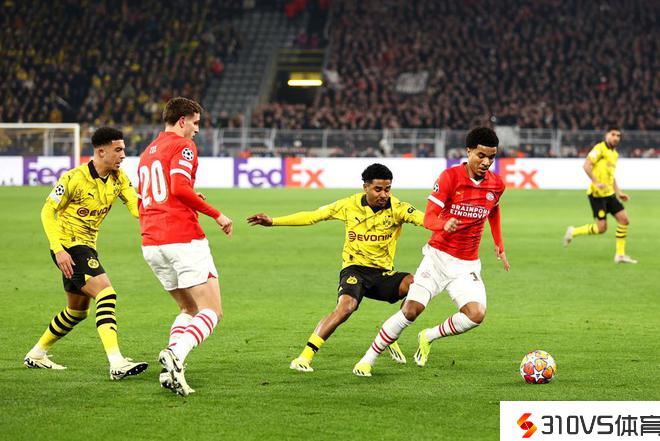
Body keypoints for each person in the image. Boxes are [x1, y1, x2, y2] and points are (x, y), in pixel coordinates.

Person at [353, 127, 510, 377]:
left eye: (491, 157)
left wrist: (498, 244)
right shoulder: (450, 178)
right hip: (437, 258)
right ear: (468, 151)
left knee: (476, 315)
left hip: (467, 265)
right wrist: (443, 225)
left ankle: (428, 336)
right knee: (411, 310)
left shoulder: (496, 184)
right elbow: (428, 218)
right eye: (481, 155)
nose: (486, 162)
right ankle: (367, 360)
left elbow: (493, 209)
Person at [247, 163, 424, 373]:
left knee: (418, 286)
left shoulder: (399, 208)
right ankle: (304, 357)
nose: (384, 194)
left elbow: (425, 219)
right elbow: (313, 216)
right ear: (365, 187)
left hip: (382, 273)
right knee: (346, 308)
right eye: (378, 189)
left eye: (387, 189)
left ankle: (390, 334)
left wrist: (449, 223)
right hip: (355, 269)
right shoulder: (348, 205)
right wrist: (273, 221)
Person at [24, 127, 148, 380]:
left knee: (77, 311)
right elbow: (47, 212)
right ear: (101, 152)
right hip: (69, 247)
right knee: (106, 293)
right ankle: (116, 362)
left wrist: (176, 206)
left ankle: (36, 354)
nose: (123, 155)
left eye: (123, 149)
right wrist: (58, 249)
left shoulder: (119, 179)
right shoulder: (73, 178)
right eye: (118, 150)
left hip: (87, 247)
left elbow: (138, 209)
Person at [138, 97, 233, 396]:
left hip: (151, 242)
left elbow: (150, 197)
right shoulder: (183, 146)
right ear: (182, 121)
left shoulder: (147, 152)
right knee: (211, 310)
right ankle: (175, 355)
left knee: (188, 308)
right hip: (182, 238)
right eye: (195, 122)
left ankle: (171, 367)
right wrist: (217, 214)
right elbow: (179, 187)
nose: (197, 129)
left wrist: (191, 197)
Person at [563, 127, 636, 263]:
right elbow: (586, 165)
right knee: (601, 228)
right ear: (607, 135)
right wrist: (595, 182)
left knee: (624, 220)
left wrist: (619, 192)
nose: (616, 138)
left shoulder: (614, 154)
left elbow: (611, 176)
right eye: (613, 134)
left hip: (609, 194)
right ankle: (573, 231)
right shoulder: (599, 148)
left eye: (618, 135)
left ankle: (620, 255)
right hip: (597, 195)